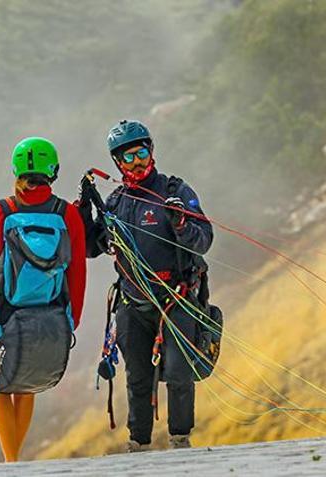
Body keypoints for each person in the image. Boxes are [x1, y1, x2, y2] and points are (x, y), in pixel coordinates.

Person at [79, 119, 213, 451]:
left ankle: (180, 440)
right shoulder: (115, 202)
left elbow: (204, 240)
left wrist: (181, 225)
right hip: (133, 302)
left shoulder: (175, 191)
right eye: (128, 157)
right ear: (117, 162)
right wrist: (84, 209)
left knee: (179, 374)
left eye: (140, 153)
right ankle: (138, 444)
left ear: (151, 151)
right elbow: (91, 248)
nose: (136, 162)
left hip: (177, 298)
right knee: (137, 377)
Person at [0, 137, 86, 462]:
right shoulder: (66, 213)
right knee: (26, 384)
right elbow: (77, 272)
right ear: (53, 170)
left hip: (6, 312)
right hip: (51, 314)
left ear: (16, 169)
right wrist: (71, 319)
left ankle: (11, 462)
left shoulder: (4, 210)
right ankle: (14, 462)